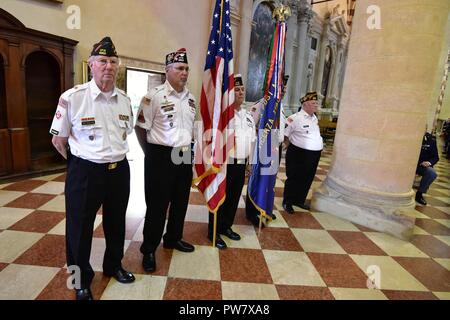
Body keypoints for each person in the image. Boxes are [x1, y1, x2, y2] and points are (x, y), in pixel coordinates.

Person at [50, 37, 135, 300]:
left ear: (117, 65)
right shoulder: (73, 97)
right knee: (79, 227)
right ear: (92, 65)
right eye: (102, 61)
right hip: (85, 172)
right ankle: (80, 280)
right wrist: (82, 161)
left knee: (116, 222)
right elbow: (58, 139)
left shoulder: (124, 100)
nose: (108, 66)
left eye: (112, 61)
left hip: (119, 169)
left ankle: (113, 266)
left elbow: (128, 131)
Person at [135, 48, 196, 273]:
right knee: (157, 206)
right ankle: (149, 248)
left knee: (181, 201)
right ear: (167, 70)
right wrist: (150, 155)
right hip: (160, 155)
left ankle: (173, 238)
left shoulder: (191, 98)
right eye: (180, 68)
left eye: (187, 68)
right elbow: (140, 129)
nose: (184, 72)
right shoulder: (154, 97)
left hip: (183, 154)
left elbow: (189, 130)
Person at [208, 74, 256, 249]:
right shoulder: (222, 116)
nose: (241, 92)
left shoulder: (248, 116)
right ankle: (213, 230)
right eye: (236, 90)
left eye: (242, 89)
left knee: (234, 197)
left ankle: (226, 226)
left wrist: (250, 163)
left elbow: (252, 140)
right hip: (225, 163)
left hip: (241, 162)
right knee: (220, 195)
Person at [245, 75, 289, 226]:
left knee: (269, 180)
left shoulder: (280, 106)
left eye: (283, 88)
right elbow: (251, 126)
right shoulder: (261, 105)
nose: (282, 91)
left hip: (275, 149)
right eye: (279, 88)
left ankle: (264, 207)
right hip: (261, 148)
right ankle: (251, 212)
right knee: (256, 179)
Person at [282, 91, 323, 214]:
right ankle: (288, 202)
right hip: (298, 153)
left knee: (307, 178)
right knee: (294, 177)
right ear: (305, 104)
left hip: (314, 154)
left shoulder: (314, 118)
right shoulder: (294, 118)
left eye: (316, 103)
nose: (316, 105)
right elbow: (285, 135)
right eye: (313, 103)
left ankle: (299, 200)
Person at [415, 131, 439, 205]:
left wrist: (428, 163)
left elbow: (435, 157)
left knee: (431, 173)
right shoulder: (410, 137)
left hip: (421, 166)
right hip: (407, 164)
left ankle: (419, 194)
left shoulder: (431, 140)